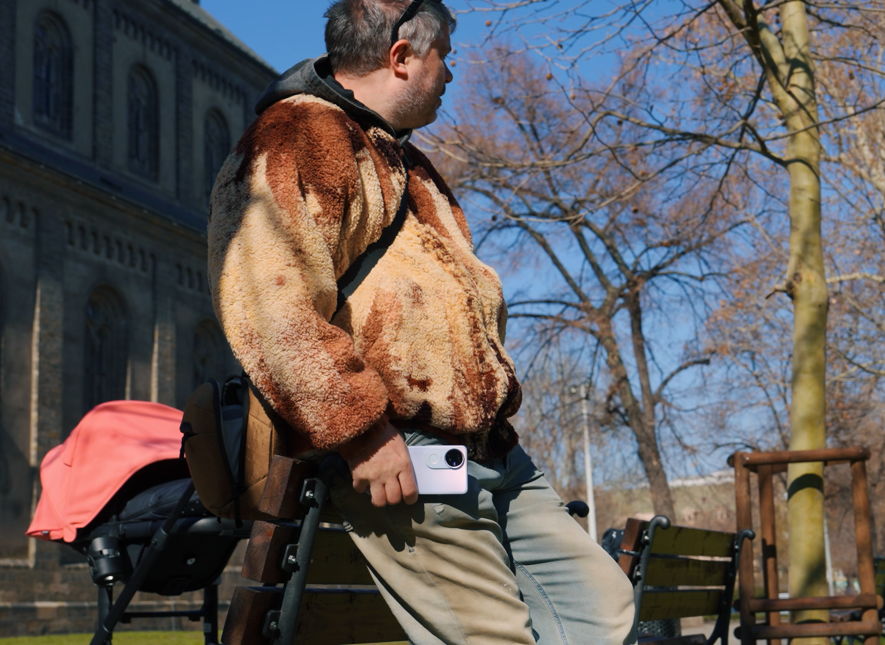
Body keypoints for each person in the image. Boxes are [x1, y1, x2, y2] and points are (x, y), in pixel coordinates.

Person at [207, 1, 636, 643]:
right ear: (402, 57)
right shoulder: (299, 134)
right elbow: (269, 306)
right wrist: (362, 434)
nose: (451, 74)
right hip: (403, 451)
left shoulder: (410, 164)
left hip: (492, 454)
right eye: (445, 57)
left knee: (606, 613)